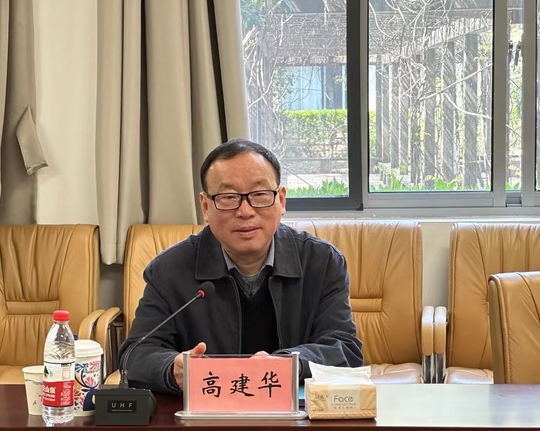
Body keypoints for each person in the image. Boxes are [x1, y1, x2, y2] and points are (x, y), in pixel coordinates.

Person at [119, 138, 363, 394]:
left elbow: (344, 348)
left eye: (259, 195)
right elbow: (136, 355)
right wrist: (172, 368)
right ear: (206, 206)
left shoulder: (321, 262)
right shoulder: (168, 270)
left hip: (296, 409)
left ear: (281, 200)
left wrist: (287, 365)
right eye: (228, 197)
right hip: (207, 409)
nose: (245, 211)